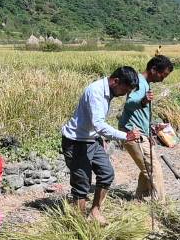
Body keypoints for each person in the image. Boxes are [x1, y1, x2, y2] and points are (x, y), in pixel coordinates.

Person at [61, 66, 141, 223]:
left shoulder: (109, 91)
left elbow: (96, 124)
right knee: (82, 183)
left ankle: (95, 211)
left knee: (106, 173)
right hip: (76, 142)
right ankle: (79, 222)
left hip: (92, 140)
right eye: (125, 90)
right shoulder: (96, 91)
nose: (125, 94)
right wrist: (126, 136)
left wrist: (100, 139)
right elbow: (99, 124)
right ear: (115, 81)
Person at [118, 55, 173, 200]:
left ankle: (140, 199)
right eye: (163, 74)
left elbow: (140, 113)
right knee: (154, 169)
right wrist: (143, 100)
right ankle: (160, 205)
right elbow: (129, 103)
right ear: (154, 69)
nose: (163, 78)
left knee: (146, 168)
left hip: (141, 132)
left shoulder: (144, 83)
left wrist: (151, 130)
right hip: (133, 133)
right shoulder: (140, 83)